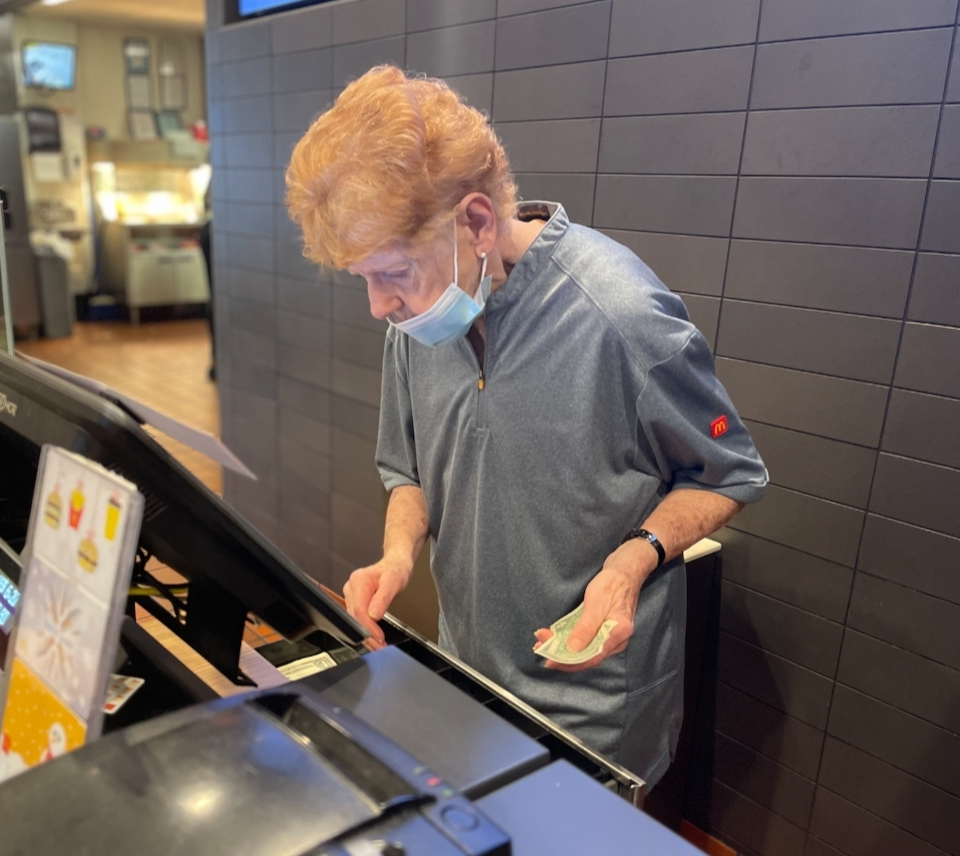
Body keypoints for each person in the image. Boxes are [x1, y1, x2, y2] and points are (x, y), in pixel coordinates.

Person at [285, 66, 768, 786]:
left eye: (390, 272)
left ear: (475, 222)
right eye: (363, 277)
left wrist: (630, 561)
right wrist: (395, 556)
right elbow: (410, 470)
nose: (378, 305)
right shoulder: (419, 316)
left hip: (589, 704)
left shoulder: (621, 316)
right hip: (467, 666)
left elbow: (728, 472)